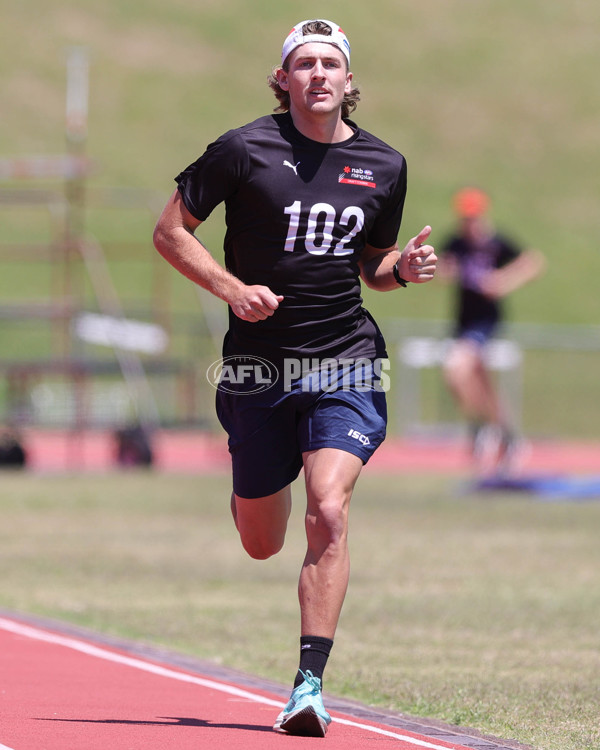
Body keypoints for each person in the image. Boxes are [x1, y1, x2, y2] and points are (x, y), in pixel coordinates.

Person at [153, 19, 437, 737]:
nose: (317, 74)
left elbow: (371, 264)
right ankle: (253, 474)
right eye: (303, 63)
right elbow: (171, 231)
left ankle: (308, 685)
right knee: (261, 540)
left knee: (330, 508)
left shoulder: (384, 164)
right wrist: (230, 289)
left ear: (348, 79)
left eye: (329, 63)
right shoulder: (243, 149)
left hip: (346, 358)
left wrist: (399, 271)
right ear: (283, 79)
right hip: (257, 366)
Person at [438, 186, 545, 474]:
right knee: (481, 384)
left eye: (473, 217)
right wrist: (445, 271)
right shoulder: (456, 243)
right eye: (465, 217)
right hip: (462, 321)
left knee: (456, 370)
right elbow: (442, 270)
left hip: (486, 322)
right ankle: (508, 438)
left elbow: (533, 262)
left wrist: (502, 281)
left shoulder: (496, 243)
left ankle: (481, 429)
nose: (469, 223)